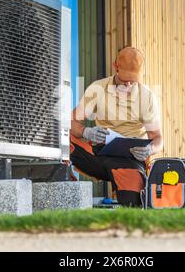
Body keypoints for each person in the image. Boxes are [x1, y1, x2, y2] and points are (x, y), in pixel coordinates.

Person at [70, 47, 163, 206]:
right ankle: (63, 183)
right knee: (63, 135)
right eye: (125, 79)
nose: (128, 84)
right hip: (99, 154)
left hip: (130, 160)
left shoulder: (147, 96)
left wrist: (150, 150)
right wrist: (86, 131)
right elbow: (71, 123)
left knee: (132, 205)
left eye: (133, 80)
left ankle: (127, 187)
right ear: (115, 66)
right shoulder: (97, 88)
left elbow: (158, 139)